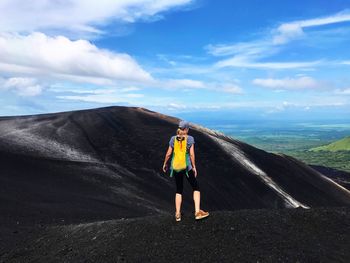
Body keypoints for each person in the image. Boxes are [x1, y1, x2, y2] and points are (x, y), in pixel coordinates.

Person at [162, 120, 209, 222]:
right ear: (187, 129)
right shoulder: (190, 139)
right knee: (195, 187)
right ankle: (197, 212)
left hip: (176, 167)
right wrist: (194, 166)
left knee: (179, 189)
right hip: (187, 168)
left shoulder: (173, 139)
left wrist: (165, 163)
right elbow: (192, 154)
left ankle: (178, 214)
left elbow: (168, 154)